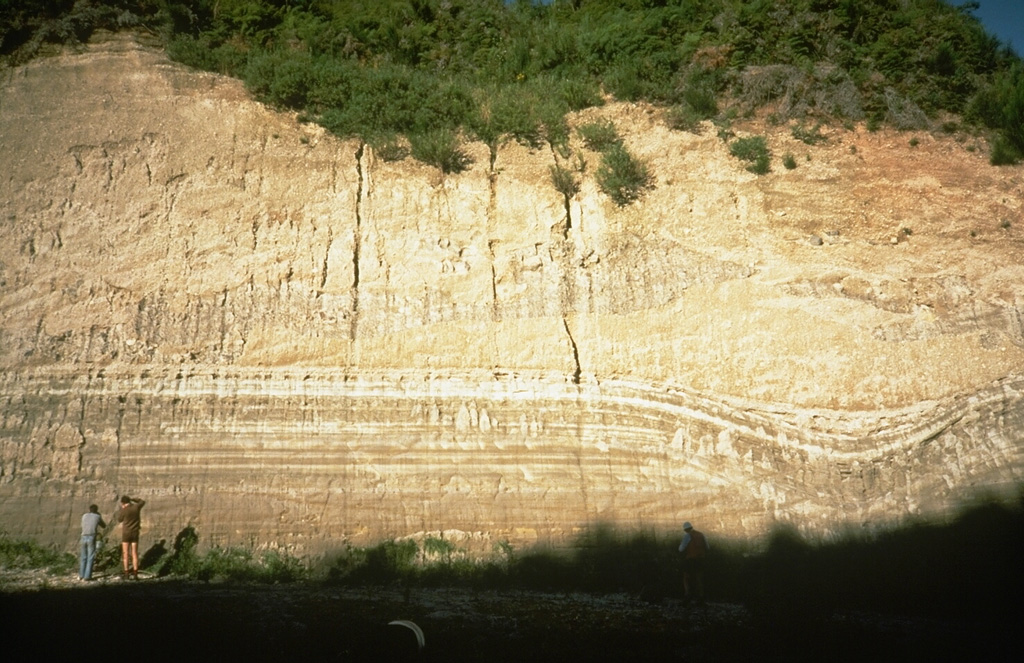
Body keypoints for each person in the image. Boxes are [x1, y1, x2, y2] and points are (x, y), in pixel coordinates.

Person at [678, 521, 709, 604]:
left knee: (686, 578)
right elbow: (707, 547)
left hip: (690, 560)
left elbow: (681, 549)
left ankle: (687, 596)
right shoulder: (701, 534)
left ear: (685, 530)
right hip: (701, 559)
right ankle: (701, 598)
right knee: (699, 578)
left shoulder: (687, 536)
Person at [116, 495, 146, 579]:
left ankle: (126, 573)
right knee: (134, 553)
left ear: (123, 503)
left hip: (126, 533)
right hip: (135, 533)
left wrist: (122, 508)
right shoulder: (136, 507)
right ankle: (135, 574)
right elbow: (142, 501)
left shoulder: (124, 510)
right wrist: (133, 499)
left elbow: (119, 519)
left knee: (125, 553)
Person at [79, 504, 106, 581]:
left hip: (83, 536)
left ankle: (81, 575)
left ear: (89, 509)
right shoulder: (97, 516)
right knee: (90, 557)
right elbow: (103, 525)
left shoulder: (84, 516)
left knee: (83, 557)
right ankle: (87, 576)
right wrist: (99, 516)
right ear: (96, 510)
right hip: (91, 537)